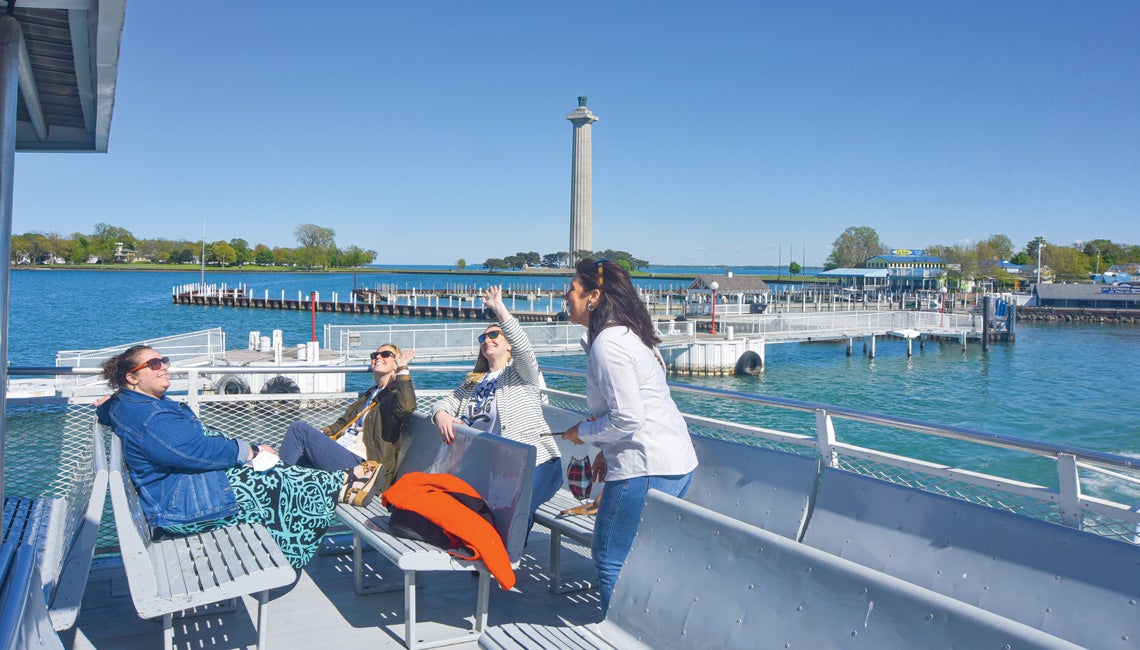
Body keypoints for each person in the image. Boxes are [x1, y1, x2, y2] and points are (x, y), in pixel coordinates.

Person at [97, 345, 382, 568]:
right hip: (184, 507)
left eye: (164, 361)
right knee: (271, 477)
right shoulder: (148, 416)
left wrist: (105, 404)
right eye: (155, 364)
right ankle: (342, 483)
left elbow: (114, 413)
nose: (165, 368)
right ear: (132, 377)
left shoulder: (128, 404)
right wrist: (248, 451)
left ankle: (342, 481)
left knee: (271, 464)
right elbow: (195, 451)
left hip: (178, 494)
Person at [560, 259, 698, 612]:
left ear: (593, 296)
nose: (565, 296)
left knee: (608, 556)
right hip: (673, 461)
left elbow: (629, 417)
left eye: (572, 289)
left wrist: (584, 434)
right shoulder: (626, 334)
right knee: (642, 559)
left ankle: (618, 630)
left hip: (646, 465)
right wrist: (605, 449)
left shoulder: (609, 344)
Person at [431, 286, 562, 533]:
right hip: (496, 469)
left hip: (537, 464)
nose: (487, 340)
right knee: (481, 519)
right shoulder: (474, 381)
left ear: (508, 345)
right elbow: (444, 402)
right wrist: (442, 415)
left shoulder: (522, 374)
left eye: (494, 335)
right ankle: (486, 564)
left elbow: (524, 348)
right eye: (483, 338)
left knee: (512, 517)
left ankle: (504, 567)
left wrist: (499, 309)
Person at [279, 343, 416, 491]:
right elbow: (344, 423)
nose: (378, 357)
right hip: (343, 451)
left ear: (396, 363)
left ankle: (273, 484)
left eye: (385, 355)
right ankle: (280, 491)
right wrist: (323, 432)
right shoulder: (370, 394)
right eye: (374, 355)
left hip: (364, 468)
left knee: (298, 429)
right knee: (299, 463)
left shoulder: (394, 395)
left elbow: (407, 407)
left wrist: (403, 369)